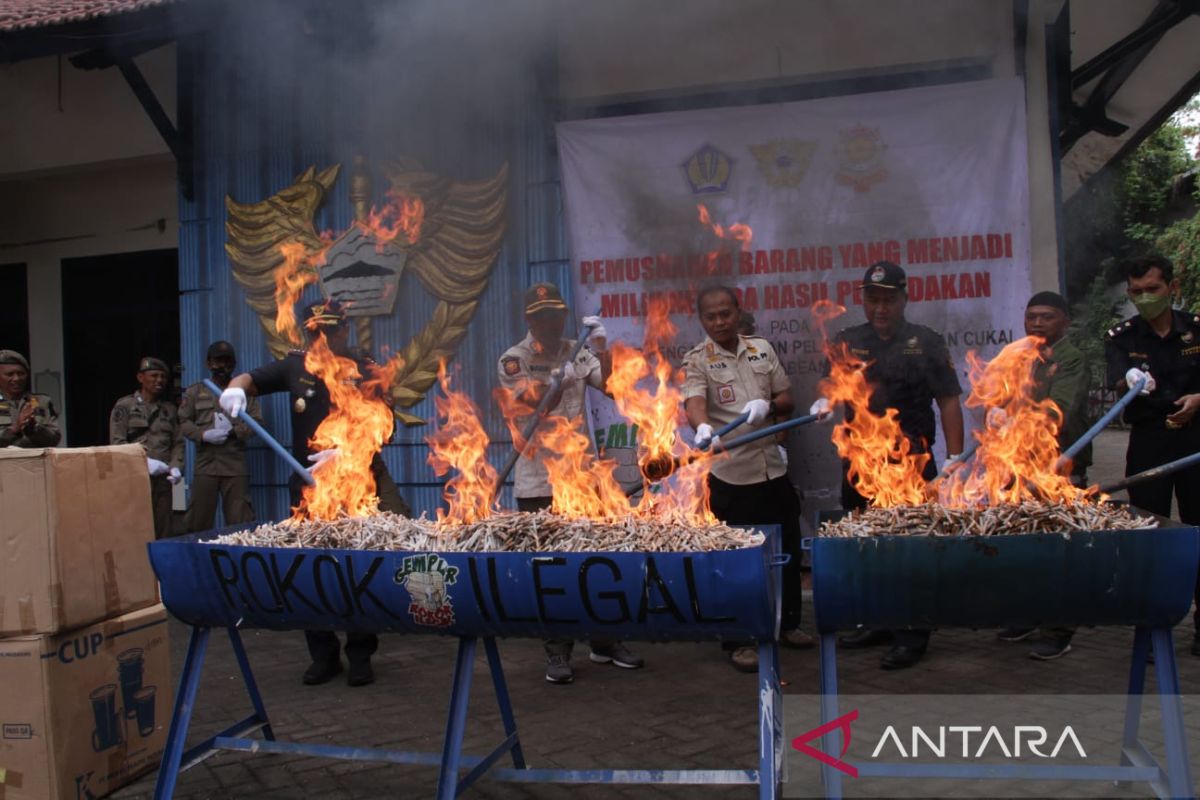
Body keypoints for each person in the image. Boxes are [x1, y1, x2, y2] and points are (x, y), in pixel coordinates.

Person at [220, 299, 410, 687]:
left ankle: (360, 653)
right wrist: (234, 390)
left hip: (360, 472)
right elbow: (249, 379)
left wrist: (348, 451)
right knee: (310, 567)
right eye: (315, 332)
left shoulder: (364, 365)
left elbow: (387, 423)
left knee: (361, 562)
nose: (323, 338)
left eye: (331, 331)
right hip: (310, 480)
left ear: (345, 329)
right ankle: (322, 654)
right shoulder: (294, 365)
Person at [815, 261, 964, 670]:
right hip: (861, 463)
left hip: (911, 463)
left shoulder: (926, 341)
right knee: (866, 547)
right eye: (873, 299)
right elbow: (831, 388)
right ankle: (877, 621)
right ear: (863, 300)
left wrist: (954, 457)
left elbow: (949, 399)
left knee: (910, 550)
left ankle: (912, 633)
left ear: (904, 298)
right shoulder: (848, 341)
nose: (881, 307)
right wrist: (824, 400)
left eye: (889, 299)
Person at [498, 282, 644, 684]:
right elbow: (528, 401)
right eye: (541, 314)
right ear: (529, 319)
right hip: (539, 483)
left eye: (556, 313)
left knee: (598, 561)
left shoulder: (577, 350)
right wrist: (555, 382)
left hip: (583, 477)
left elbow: (611, 386)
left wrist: (600, 346)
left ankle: (605, 642)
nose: (550, 320)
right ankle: (558, 652)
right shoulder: (514, 359)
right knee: (551, 571)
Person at [682, 285, 814, 674]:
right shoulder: (697, 360)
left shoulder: (761, 349)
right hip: (732, 476)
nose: (720, 321)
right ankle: (738, 641)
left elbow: (788, 400)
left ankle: (788, 624)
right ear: (702, 320)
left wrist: (769, 406)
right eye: (712, 316)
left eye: (726, 313)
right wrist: (703, 427)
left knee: (787, 549)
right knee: (736, 563)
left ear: (738, 312)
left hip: (772, 467)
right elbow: (694, 403)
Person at [1104, 255, 1200, 656]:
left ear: (1172, 288)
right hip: (1148, 443)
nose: (1144, 298)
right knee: (1149, 536)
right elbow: (1117, 381)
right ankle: (1149, 627)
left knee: (1199, 532)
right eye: (1137, 292)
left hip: (1196, 442)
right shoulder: (1121, 336)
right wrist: (1129, 379)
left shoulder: (1196, 329)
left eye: (1153, 290)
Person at [996, 291, 1091, 660]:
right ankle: (1027, 616)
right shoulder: (1022, 358)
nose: (1036, 323)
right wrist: (997, 413)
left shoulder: (1072, 359)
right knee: (1022, 544)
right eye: (1031, 316)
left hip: (1059, 467)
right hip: (1018, 464)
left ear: (1064, 321)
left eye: (1046, 317)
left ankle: (1059, 629)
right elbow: (1003, 397)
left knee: (1059, 548)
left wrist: (1017, 420)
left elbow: (1060, 409)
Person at [179, 341, 262, 532]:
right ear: (209, 364)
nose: (222, 366)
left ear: (234, 364)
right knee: (198, 518)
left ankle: (239, 558)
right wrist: (202, 435)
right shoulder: (195, 392)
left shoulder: (244, 392)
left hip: (234, 464)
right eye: (218, 361)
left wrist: (233, 432)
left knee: (240, 520)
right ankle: (198, 558)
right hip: (205, 465)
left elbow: (257, 422)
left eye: (227, 361)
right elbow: (183, 421)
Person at [110, 357, 184, 538]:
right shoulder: (125, 406)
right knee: (136, 528)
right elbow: (116, 443)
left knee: (163, 527)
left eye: (163, 377)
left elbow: (178, 443)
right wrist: (144, 463)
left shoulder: (169, 409)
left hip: (162, 481)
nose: (159, 380)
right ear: (141, 378)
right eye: (154, 375)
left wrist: (176, 466)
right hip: (134, 478)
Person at [0, 349, 60, 448]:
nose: (16, 378)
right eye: (10, 374)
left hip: (34, 461)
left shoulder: (41, 401)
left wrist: (35, 429)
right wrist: (14, 429)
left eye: (21, 373)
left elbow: (54, 439)